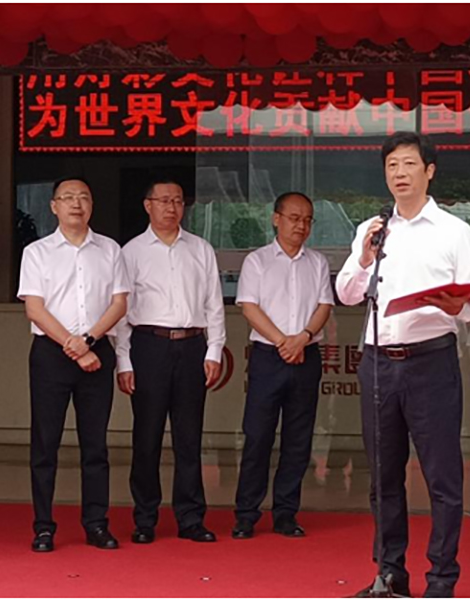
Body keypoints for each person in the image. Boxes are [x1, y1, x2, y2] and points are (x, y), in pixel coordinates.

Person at [336, 132, 470, 598]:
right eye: (392, 166)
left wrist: (456, 305)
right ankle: (389, 574)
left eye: (408, 164)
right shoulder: (372, 229)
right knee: (384, 476)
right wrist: (364, 257)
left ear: (429, 171)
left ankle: (441, 578)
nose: (399, 173)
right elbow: (346, 293)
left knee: (442, 476)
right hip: (378, 363)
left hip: (430, 362)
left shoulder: (453, 231)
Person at [18, 176, 129, 553]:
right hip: (51, 354)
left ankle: (96, 524)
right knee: (45, 444)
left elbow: (119, 304)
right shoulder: (37, 252)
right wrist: (74, 345)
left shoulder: (110, 250)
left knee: (95, 445)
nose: (76, 204)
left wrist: (89, 341)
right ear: (54, 206)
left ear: (92, 205)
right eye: (68, 198)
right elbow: (34, 309)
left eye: (83, 197)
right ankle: (43, 527)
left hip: (98, 351)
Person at [115, 177, 226, 544]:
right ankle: (145, 518)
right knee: (146, 437)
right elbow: (121, 310)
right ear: (148, 205)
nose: (171, 207)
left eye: (178, 201)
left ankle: (191, 518)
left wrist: (214, 350)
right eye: (163, 200)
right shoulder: (131, 252)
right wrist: (124, 360)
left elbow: (214, 304)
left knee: (189, 437)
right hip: (149, 346)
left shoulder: (200, 248)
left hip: (192, 345)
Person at [231, 192, 334, 539]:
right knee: (257, 435)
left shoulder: (317, 262)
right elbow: (249, 307)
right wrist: (283, 342)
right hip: (267, 356)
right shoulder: (257, 261)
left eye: (307, 220)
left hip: (306, 355)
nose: (301, 226)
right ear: (276, 219)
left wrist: (302, 338)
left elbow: (324, 306)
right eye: (294, 218)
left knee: (298, 438)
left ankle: (286, 513)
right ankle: (246, 514)